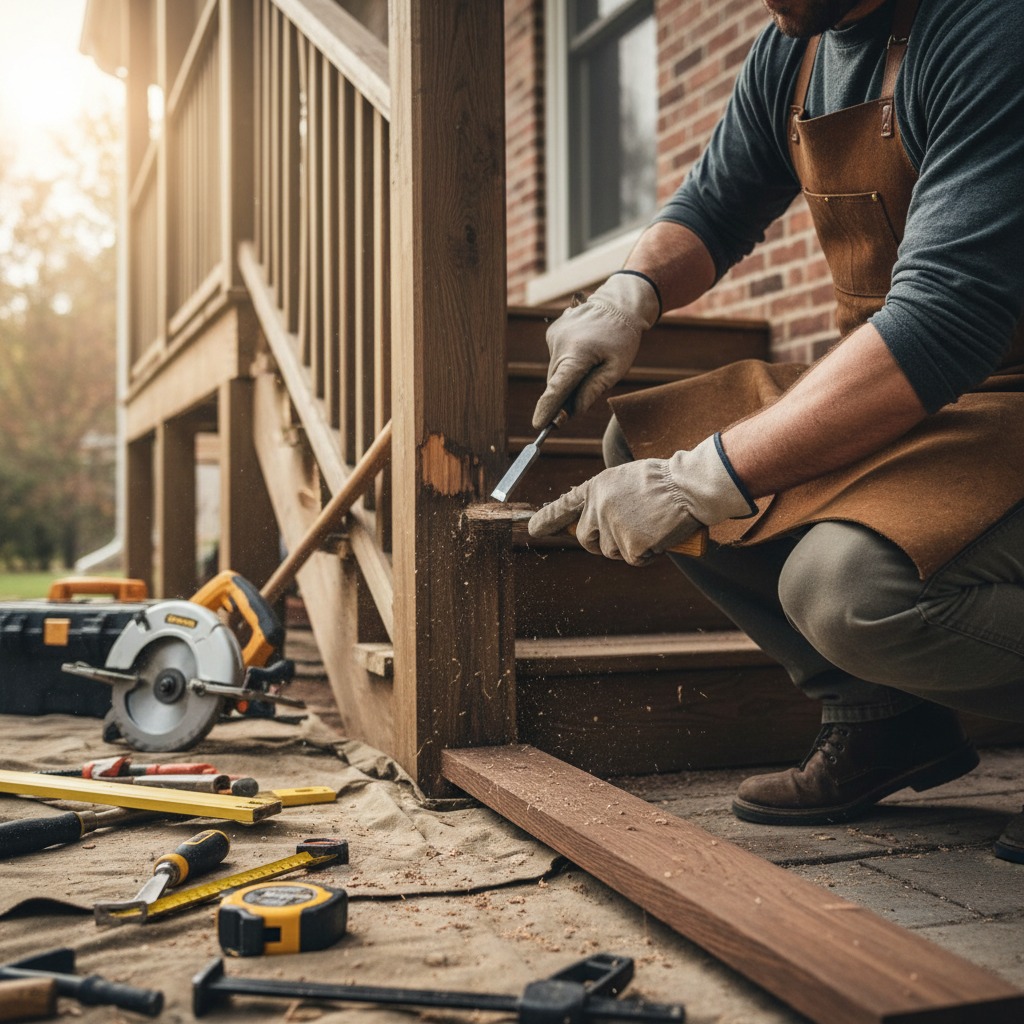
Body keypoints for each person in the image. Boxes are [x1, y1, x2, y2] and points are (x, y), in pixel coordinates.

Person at [527, 0, 1024, 863]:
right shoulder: (790, 52)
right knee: (644, 436)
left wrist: (697, 484)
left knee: (851, 593)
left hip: (993, 386)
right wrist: (625, 296)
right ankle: (883, 722)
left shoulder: (988, 27)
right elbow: (715, 206)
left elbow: (945, 320)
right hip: (916, 390)